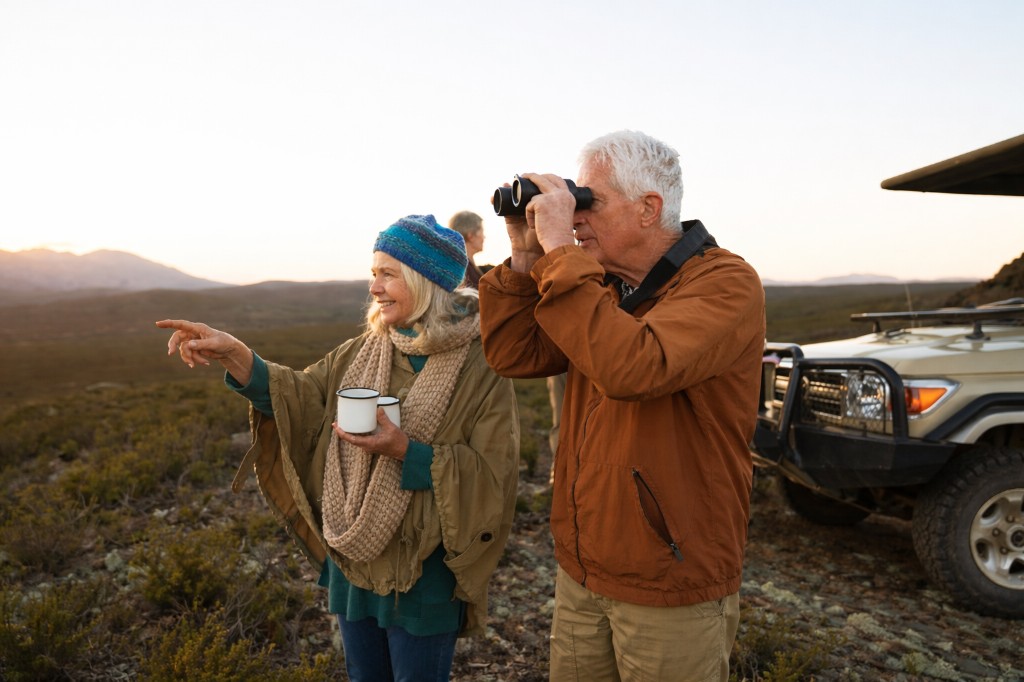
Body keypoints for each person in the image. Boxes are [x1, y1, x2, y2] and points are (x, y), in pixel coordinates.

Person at [157, 214, 520, 682]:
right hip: (353, 559)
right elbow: (302, 398)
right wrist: (235, 354)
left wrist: (407, 452)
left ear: (426, 281)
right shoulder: (361, 351)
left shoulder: (484, 365)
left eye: (388, 274)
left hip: (423, 572)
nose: (374, 288)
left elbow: (494, 475)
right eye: (373, 274)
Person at [478, 130, 766, 681]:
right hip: (585, 567)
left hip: (669, 580)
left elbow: (634, 366)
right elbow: (516, 353)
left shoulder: (725, 285)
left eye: (589, 202)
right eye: (573, 203)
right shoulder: (602, 287)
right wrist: (524, 252)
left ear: (648, 209)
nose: (576, 217)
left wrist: (561, 249)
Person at [448, 210, 488, 288]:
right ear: (471, 236)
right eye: (482, 232)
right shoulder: (465, 273)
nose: (484, 237)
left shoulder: (456, 266)